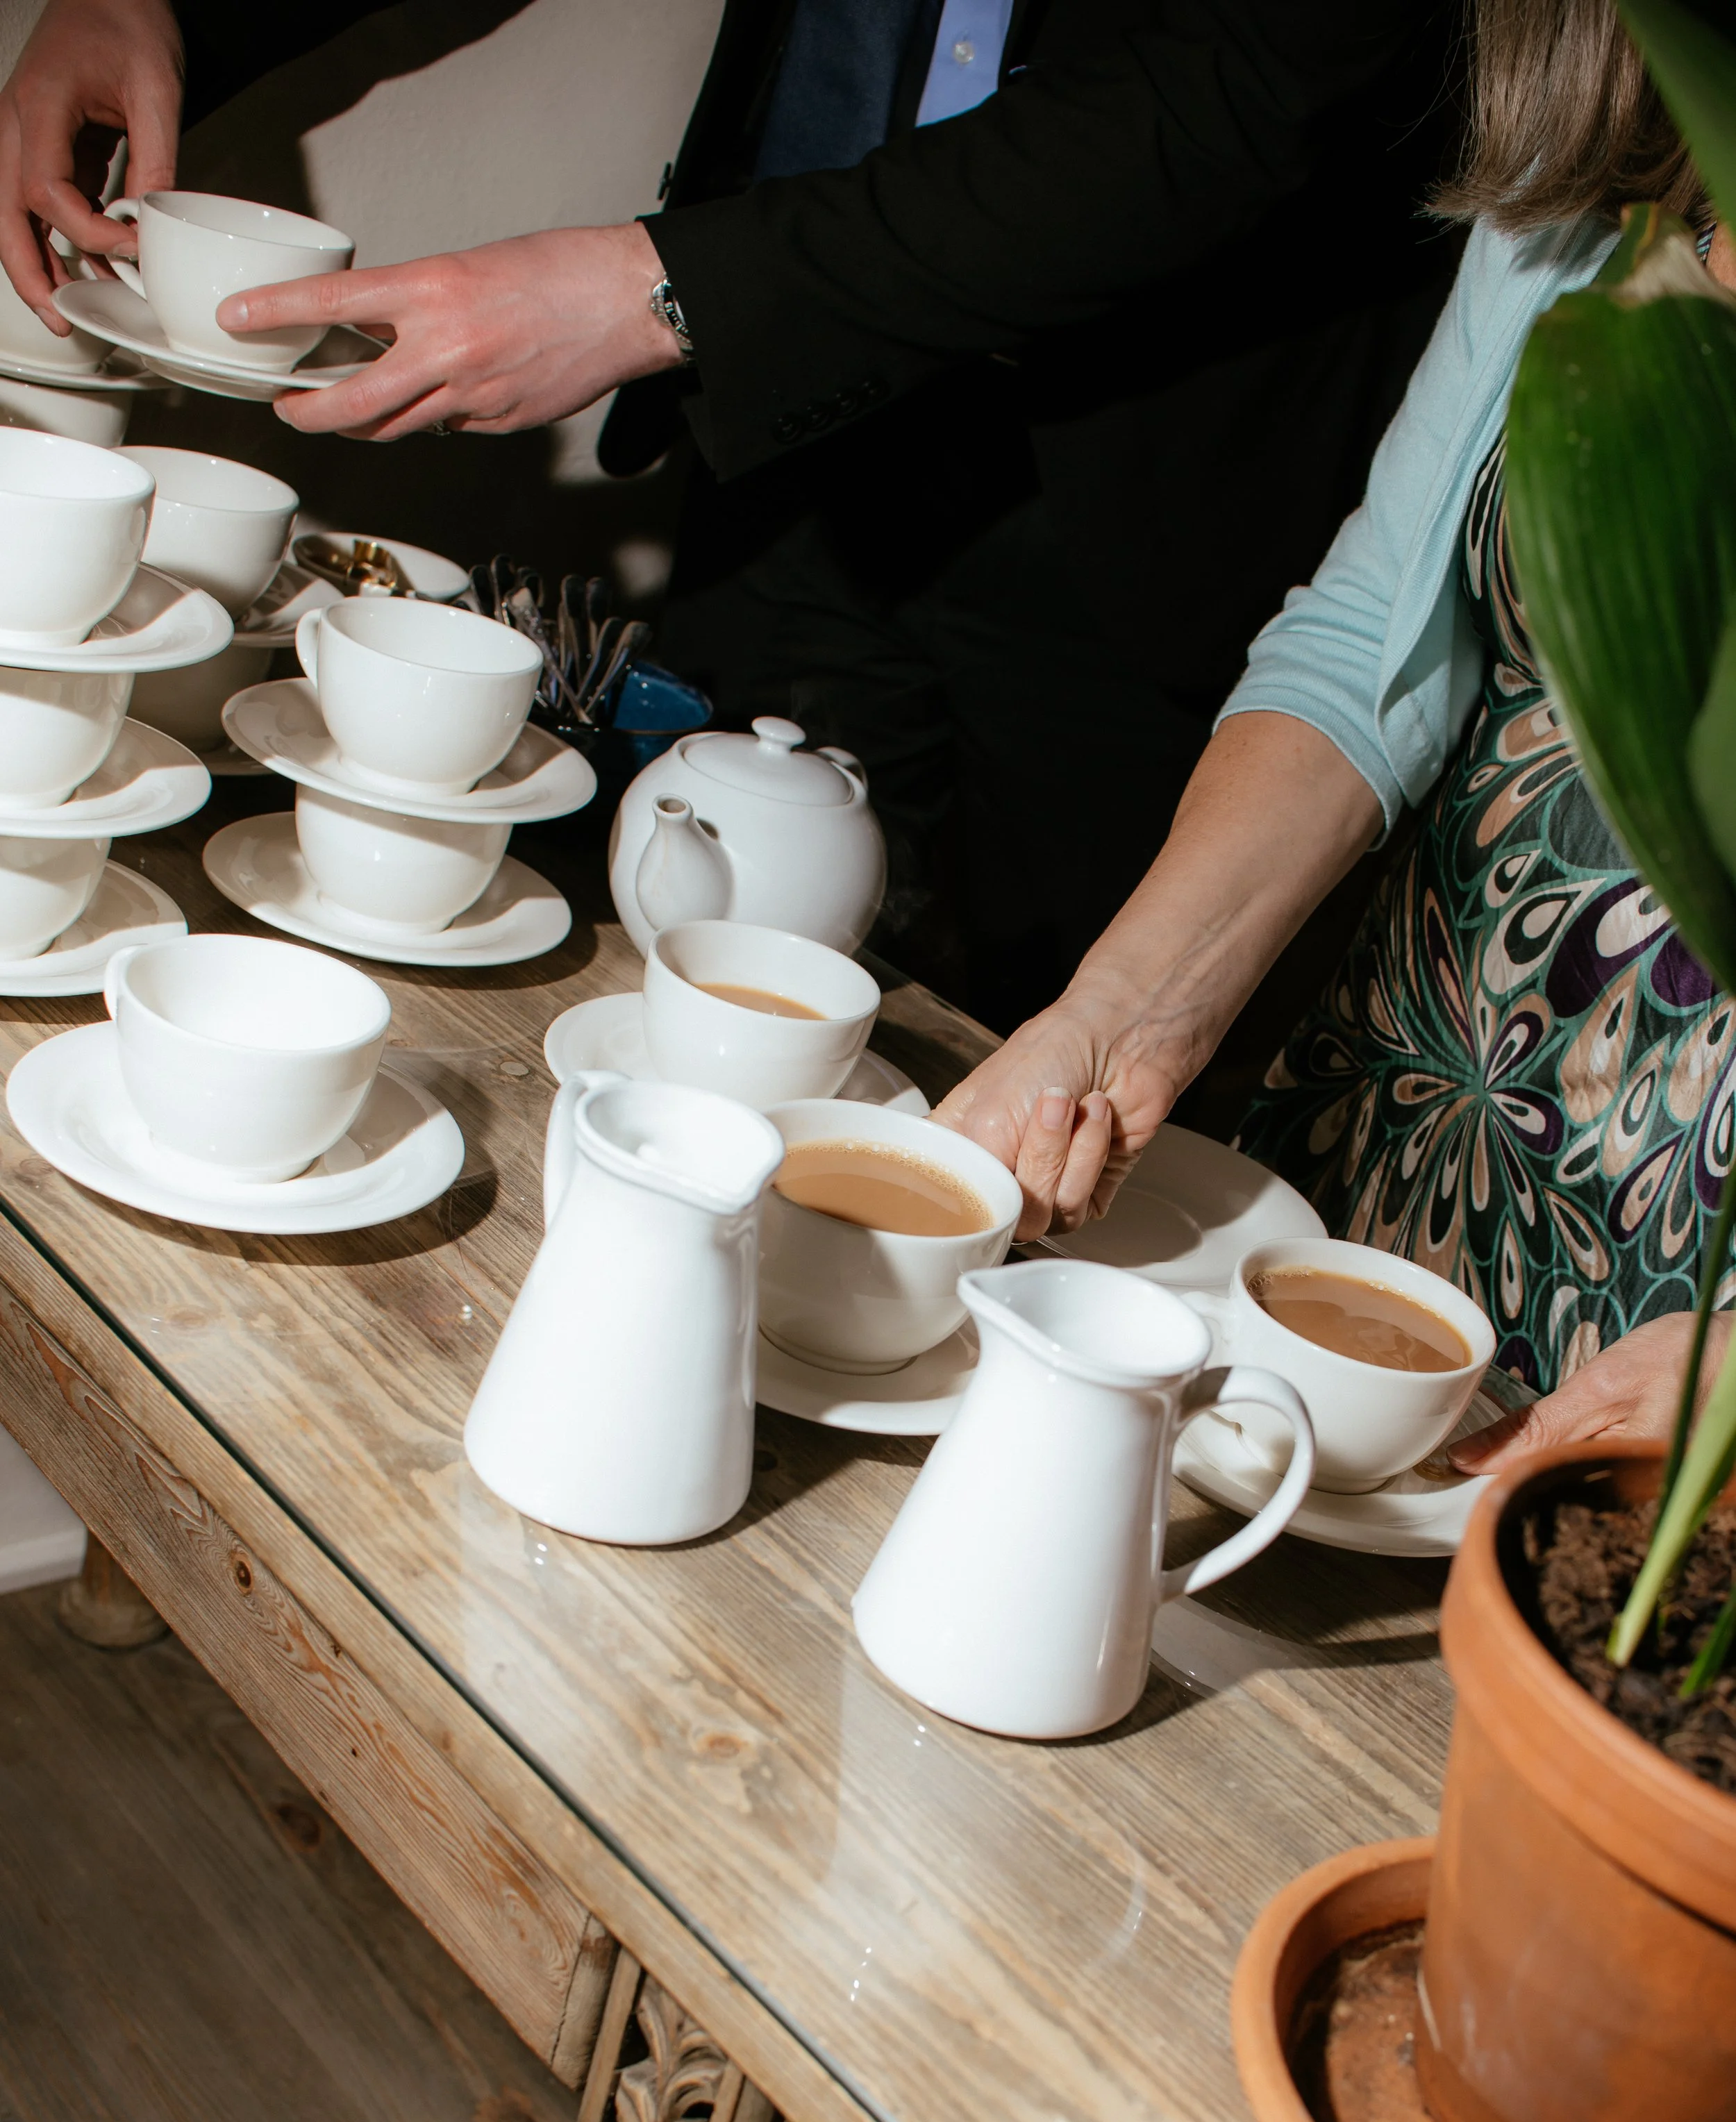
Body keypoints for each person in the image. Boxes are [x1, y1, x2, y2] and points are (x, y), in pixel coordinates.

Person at [0, 0, 1460, 1027]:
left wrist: (660, 289)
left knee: (1024, 1103)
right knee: (664, 986)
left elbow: (1241, 83)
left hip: (1159, 494)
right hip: (793, 429)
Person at [935, 0, 1732, 1471]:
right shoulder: (1625, 153)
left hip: (1697, 1295)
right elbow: (1378, 629)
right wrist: (1125, 1009)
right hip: (1411, 1140)